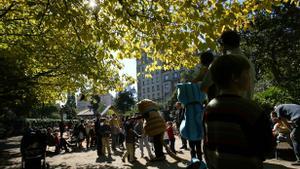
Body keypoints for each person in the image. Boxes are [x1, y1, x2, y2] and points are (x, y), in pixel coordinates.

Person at [204, 54, 275, 169]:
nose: (250, 77)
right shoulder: (251, 109)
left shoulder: (209, 108)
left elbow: (207, 144)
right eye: (247, 73)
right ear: (235, 77)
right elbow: (268, 148)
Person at [201, 30, 255, 100]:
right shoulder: (249, 63)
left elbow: (204, 85)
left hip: (228, 106)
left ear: (224, 44)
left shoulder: (222, 63)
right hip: (247, 106)